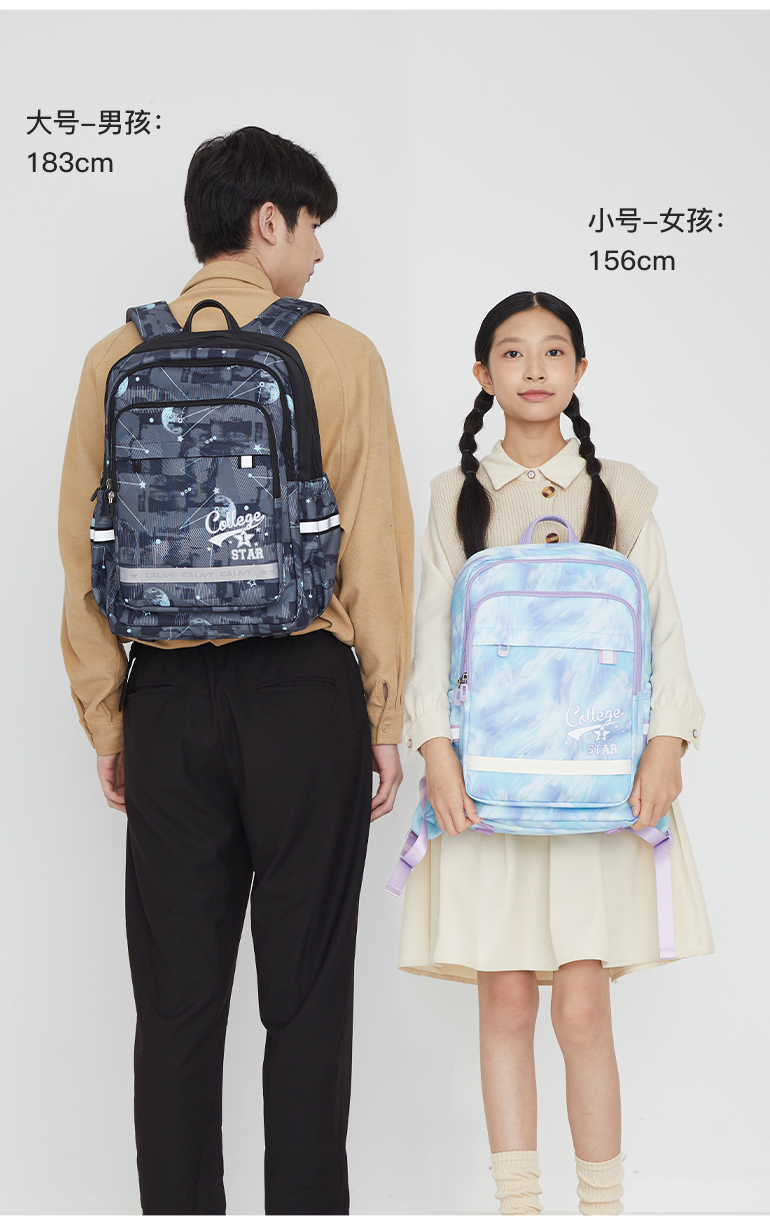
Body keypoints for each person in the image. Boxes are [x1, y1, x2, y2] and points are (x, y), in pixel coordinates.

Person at [58, 126, 413, 1216]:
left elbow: (82, 551)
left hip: (167, 701)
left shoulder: (114, 356)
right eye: (312, 228)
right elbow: (377, 549)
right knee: (304, 997)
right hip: (303, 694)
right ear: (269, 221)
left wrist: (109, 719)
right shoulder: (339, 354)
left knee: (175, 1003)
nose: (318, 253)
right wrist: (383, 714)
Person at [398, 291, 713, 1215]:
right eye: (512, 352)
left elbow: (662, 629)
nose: (533, 369)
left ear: (579, 370)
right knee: (503, 1002)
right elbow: (431, 634)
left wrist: (668, 743)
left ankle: (602, 1207)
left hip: (596, 786)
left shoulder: (622, 490)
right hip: (491, 789)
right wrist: (436, 750)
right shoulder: (453, 495)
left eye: (553, 351)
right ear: (482, 372)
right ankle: (520, 1207)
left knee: (581, 1006)